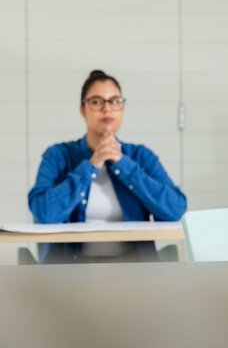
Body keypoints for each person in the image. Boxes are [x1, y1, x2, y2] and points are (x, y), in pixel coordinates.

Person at [28, 70, 187, 263]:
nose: (107, 109)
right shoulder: (58, 155)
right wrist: (92, 165)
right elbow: (44, 212)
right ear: (82, 109)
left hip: (134, 271)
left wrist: (123, 164)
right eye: (96, 101)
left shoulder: (140, 155)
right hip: (70, 271)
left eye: (114, 101)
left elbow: (175, 209)